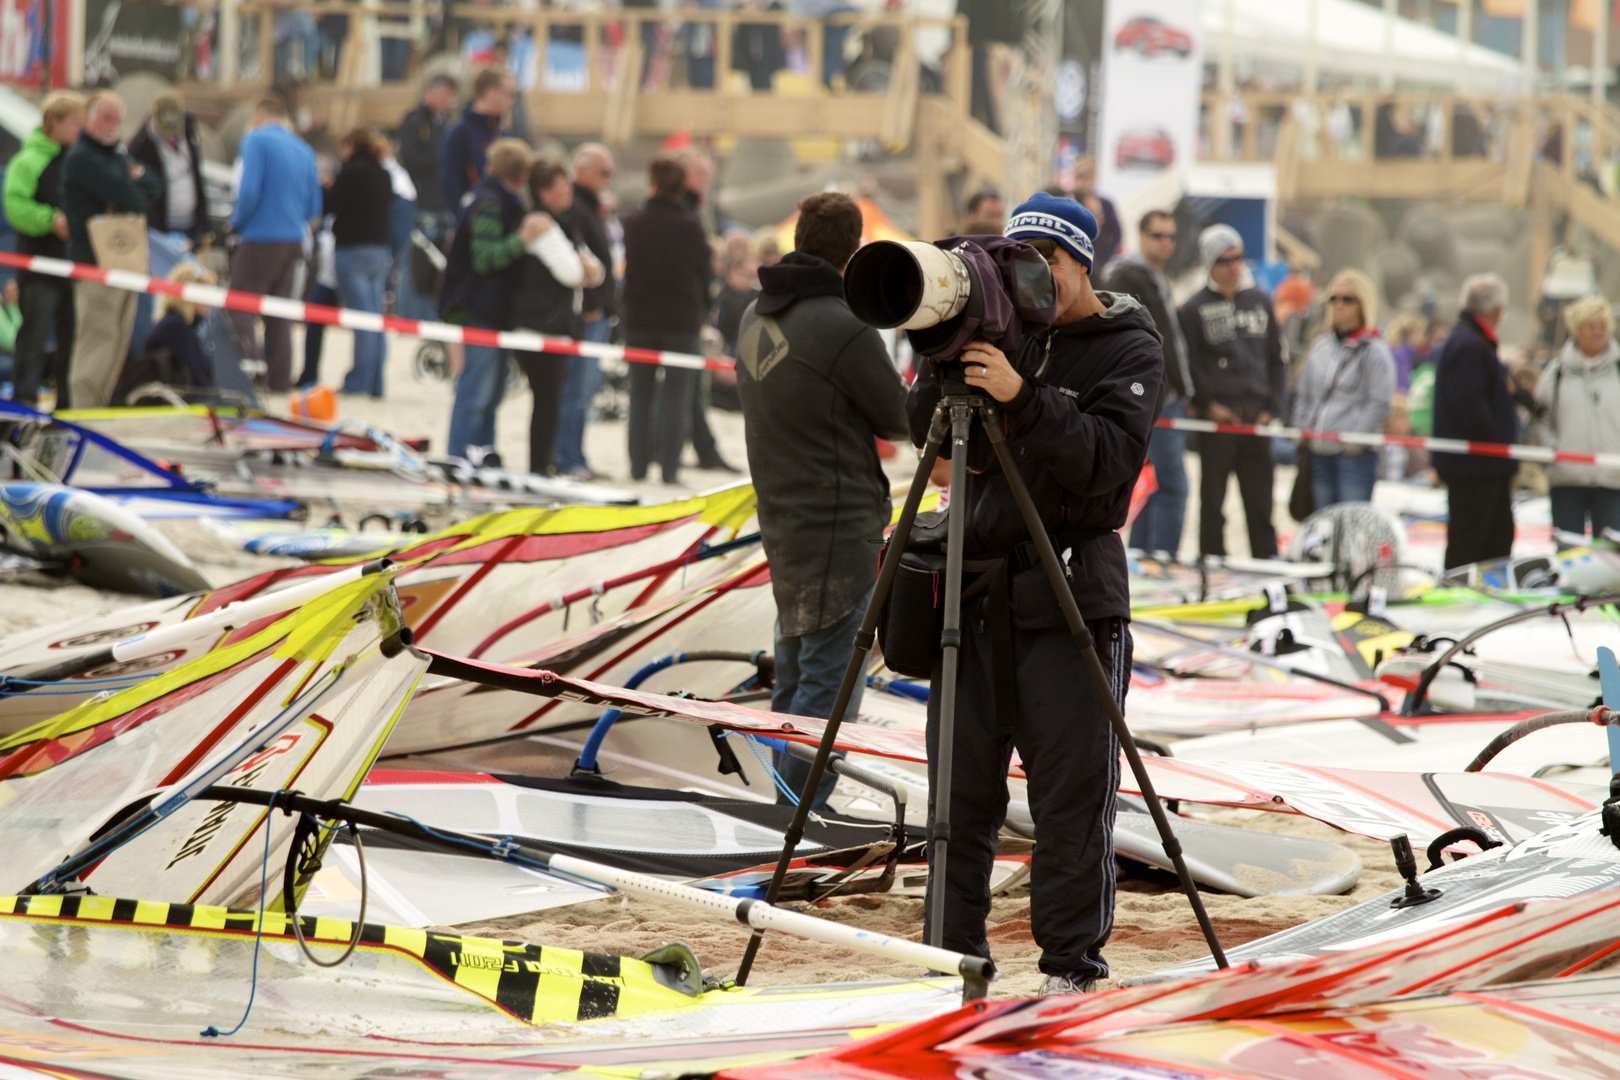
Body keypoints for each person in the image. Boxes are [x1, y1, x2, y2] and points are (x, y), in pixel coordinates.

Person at [907, 192, 1162, 995]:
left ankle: (1069, 972)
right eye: (1013, 259)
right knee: (958, 804)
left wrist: (1023, 395)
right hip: (974, 596)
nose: (1028, 279)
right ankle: (952, 966)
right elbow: (927, 437)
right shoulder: (996, 329)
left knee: (1070, 804)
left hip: (1070, 598)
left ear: (1081, 263)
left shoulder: (1128, 346)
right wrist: (940, 351)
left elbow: (1106, 465)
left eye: (1044, 262)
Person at [734, 192, 907, 807]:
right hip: (839, 527)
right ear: (855, 248)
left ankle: (781, 803)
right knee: (830, 689)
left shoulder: (756, 315)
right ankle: (798, 817)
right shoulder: (841, 325)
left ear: (798, 238)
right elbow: (899, 416)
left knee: (796, 674)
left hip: (782, 521)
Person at [439, 139, 550, 461]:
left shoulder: (497, 200)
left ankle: (481, 454)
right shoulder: (489, 203)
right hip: (478, 311)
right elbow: (484, 259)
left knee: (491, 395)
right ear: (519, 175)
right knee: (475, 392)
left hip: (493, 312)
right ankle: (459, 457)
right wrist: (521, 240)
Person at [1179, 224, 1284, 559]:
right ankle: (1212, 569)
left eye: (1238, 258)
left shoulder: (1261, 301)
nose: (1233, 266)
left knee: (1260, 508)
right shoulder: (1193, 308)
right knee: (1212, 506)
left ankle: (1269, 575)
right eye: (1224, 260)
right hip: (1218, 420)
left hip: (1256, 418)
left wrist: (1274, 407)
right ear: (1210, 264)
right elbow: (1188, 365)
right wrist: (1205, 405)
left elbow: (1277, 359)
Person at [1102, 209, 1194, 556]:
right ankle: (1159, 561)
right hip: (1153, 396)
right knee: (1171, 486)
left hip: (1161, 394)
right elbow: (1143, 340)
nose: (1166, 243)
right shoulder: (1128, 276)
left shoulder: (1152, 275)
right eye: (1158, 236)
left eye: (1171, 236)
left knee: (1152, 483)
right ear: (1141, 237)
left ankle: (1144, 559)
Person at [62, 91, 160, 408]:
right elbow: (130, 195)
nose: (112, 126)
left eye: (117, 120)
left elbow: (153, 186)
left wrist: (132, 185)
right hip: (95, 266)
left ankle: (99, 410)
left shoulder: (113, 156)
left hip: (123, 264)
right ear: (88, 117)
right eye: (106, 118)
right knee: (97, 341)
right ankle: (84, 411)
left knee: (117, 343)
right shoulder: (82, 158)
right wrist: (131, 184)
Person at [620, 156, 712, 485]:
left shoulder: (633, 221)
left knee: (640, 394)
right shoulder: (690, 225)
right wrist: (707, 308)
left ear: (654, 184)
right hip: (681, 320)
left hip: (639, 318)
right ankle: (670, 470)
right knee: (677, 396)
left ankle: (638, 467)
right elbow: (704, 273)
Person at [512, 159, 604, 475]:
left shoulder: (566, 222)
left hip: (558, 327)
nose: (568, 191)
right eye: (560, 186)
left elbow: (597, 271)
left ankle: (546, 463)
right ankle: (540, 466)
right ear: (543, 191)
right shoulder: (541, 224)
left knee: (551, 400)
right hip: (539, 327)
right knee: (547, 400)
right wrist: (584, 270)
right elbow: (570, 272)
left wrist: (585, 270)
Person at [229, 94, 323, 394]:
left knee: (240, 306)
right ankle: (279, 380)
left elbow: (249, 189)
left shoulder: (256, 141)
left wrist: (237, 221)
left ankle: (249, 374)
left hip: (261, 235)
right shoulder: (304, 149)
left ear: (258, 114)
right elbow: (313, 206)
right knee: (279, 312)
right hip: (293, 237)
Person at [1290, 269, 1396, 510]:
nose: (1338, 305)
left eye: (1347, 299)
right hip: (1318, 450)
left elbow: (1379, 402)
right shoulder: (1321, 345)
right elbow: (1305, 393)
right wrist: (1303, 431)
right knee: (1323, 525)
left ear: (1363, 303)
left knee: (1351, 526)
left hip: (1353, 456)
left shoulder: (1374, 350)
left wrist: (1354, 441)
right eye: (1333, 298)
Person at [3, 90, 83, 408]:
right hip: (37, 266)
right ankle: (23, 400)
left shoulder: (77, 160)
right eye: (75, 122)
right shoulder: (28, 160)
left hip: (74, 265)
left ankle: (66, 402)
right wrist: (50, 220)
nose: (80, 129)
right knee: (33, 336)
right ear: (54, 121)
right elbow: (14, 206)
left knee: (71, 338)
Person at [1433, 274, 1518, 569]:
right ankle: (1458, 601)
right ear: (1496, 311)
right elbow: (1469, 405)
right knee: (1470, 543)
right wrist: (1498, 442)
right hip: (1475, 466)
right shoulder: (1469, 344)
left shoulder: (1468, 340)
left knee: (1495, 539)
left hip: (1481, 465)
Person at [554, 143, 618, 480]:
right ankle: (568, 460)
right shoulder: (577, 206)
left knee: (582, 392)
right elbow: (578, 259)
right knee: (575, 392)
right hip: (587, 315)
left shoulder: (590, 206)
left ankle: (573, 455)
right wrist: (593, 305)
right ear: (582, 171)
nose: (609, 179)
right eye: (603, 172)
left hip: (597, 312)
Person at [1533, 295, 1620, 537]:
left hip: (1613, 479)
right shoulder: (1556, 372)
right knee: (1567, 551)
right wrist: (1554, 452)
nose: (1597, 332)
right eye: (1590, 326)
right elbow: (1539, 418)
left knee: (1612, 558)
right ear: (1576, 330)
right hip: (1567, 479)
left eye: (1602, 326)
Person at [323, 127, 396, 398]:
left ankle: (359, 382)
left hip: (352, 250)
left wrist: (325, 188)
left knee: (362, 320)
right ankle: (376, 382)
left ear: (351, 145)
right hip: (379, 251)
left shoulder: (351, 172)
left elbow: (330, 205)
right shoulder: (384, 173)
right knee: (375, 319)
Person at [126, 90, 210, 248]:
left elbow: (197, 177)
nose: (171, 135)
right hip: (160, 228)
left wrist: (204, 225)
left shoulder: (190, 131)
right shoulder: (141, 145)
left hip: (190, 225)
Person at [120, 263, 218, 395]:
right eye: (206, 293)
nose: (210, 301)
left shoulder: (179, 326)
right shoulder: (176, 328)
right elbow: (195, 381)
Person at [439, 68, 516, 214]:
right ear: (490, 92)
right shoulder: (459, 133)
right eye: (509, 94)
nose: (513, 101)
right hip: (474, 221)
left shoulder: (504, 135)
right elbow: (450, 184)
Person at [396, 73, 457, 226]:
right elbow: (409, 157)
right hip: (422, 199)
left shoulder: (447, 125)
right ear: (430, 92)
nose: (448, 101)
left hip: (444, 201)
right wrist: (441, 158)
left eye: (451, 96)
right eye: (444, 95)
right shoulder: (414, 121)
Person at [1070, 158, 1120, 274]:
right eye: (1078, 176)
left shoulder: (1106, 204)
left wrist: (1105, 255)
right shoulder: (1069, 201)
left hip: (1098, 259)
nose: (1082, 181)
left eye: (1086, 176)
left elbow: (1117, 233)